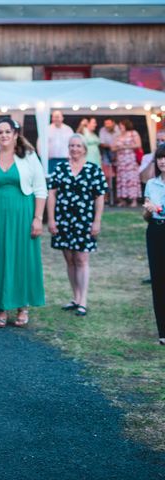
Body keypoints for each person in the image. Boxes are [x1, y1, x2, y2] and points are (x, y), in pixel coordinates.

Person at [0, 118, 47, 328]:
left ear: (15, 134)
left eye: (8, 131)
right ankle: (2, 307)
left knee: (21, 257)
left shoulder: (29, 157)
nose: (4, 135)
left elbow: (40, 189)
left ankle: (22, 306)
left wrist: (37, 218)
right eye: (0, 132)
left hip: (23, 214)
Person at [47, 134, 108, 317]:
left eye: (78, 146)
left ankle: (83, 300)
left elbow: (100, 197)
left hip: (84, 221)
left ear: (84, 149)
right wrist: (51, 219)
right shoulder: (61, 168)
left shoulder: (93, 170)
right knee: (70, 260)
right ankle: (75, 297)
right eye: (71, 146)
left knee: (82, 259)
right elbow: (52, 194)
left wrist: (97, 221)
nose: (74, 149)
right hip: (64, 220)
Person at [143, 145, 165, 346]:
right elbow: (145, 216)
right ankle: (162, 331)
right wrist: (149, 211)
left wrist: (158, 208)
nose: (162, 161)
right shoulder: (151, 184)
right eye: (159, 158)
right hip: (155, 231)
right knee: (158, 280)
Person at [112, 119, 142, 208]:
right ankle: (123, 199)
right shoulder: (118, 136)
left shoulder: (133, 133)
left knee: (132, 179)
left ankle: (134, 200)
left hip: (130, 160)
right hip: (121, 161)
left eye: (122, 125)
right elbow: (112, 148)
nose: (120, 127)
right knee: (122, 179)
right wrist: (118, 147)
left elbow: (138, 144)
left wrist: (125, 146)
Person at [99, 118, 121, 204]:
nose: (107, 125)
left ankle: (117, 198)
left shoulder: (118, 129)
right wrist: (110, 147)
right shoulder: (102, 130)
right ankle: (107, 197)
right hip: (107, 154)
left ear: (113, 123)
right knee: (107, 177)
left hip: (118, 154)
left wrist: (115, 151)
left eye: (109, 123)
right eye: (106, 124)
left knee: (118, 178)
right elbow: (102, 143)